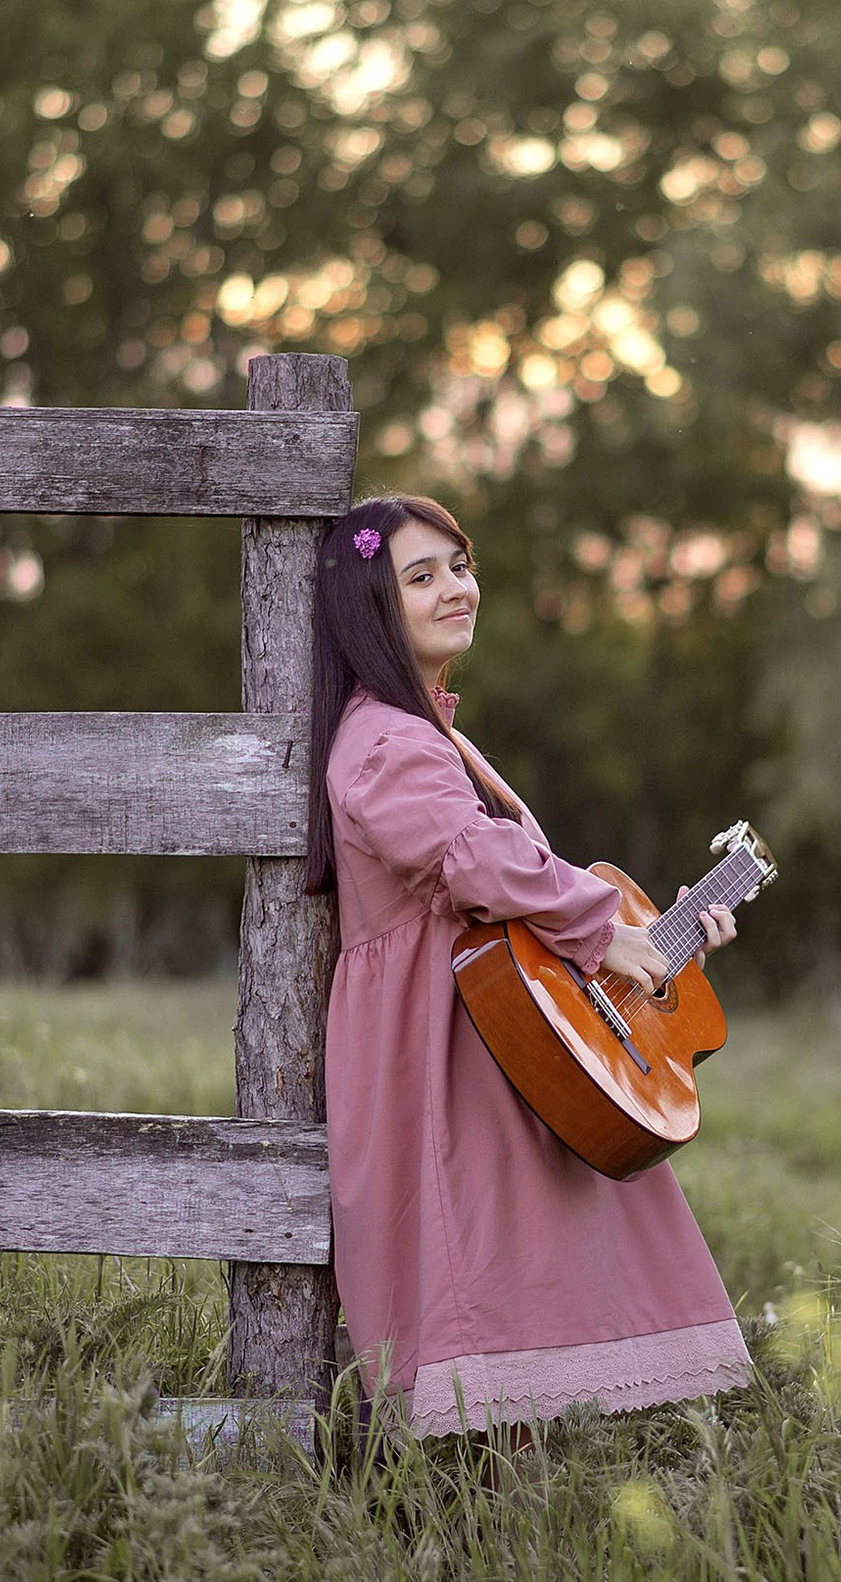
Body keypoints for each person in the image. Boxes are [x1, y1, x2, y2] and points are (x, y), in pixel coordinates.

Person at [306, 492, 755, 1440]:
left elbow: (510, 895)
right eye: (419, 577)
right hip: (433, 1040)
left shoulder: (432, 732)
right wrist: (604, 923)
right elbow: (472, 858)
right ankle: (466, 1526)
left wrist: (653, 946)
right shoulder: (385, 740)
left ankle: (521, 1506)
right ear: (370, 610)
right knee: (473, 1271)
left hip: (487, 1026)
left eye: (459, 567)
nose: (454, 588)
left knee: (522, 1266)